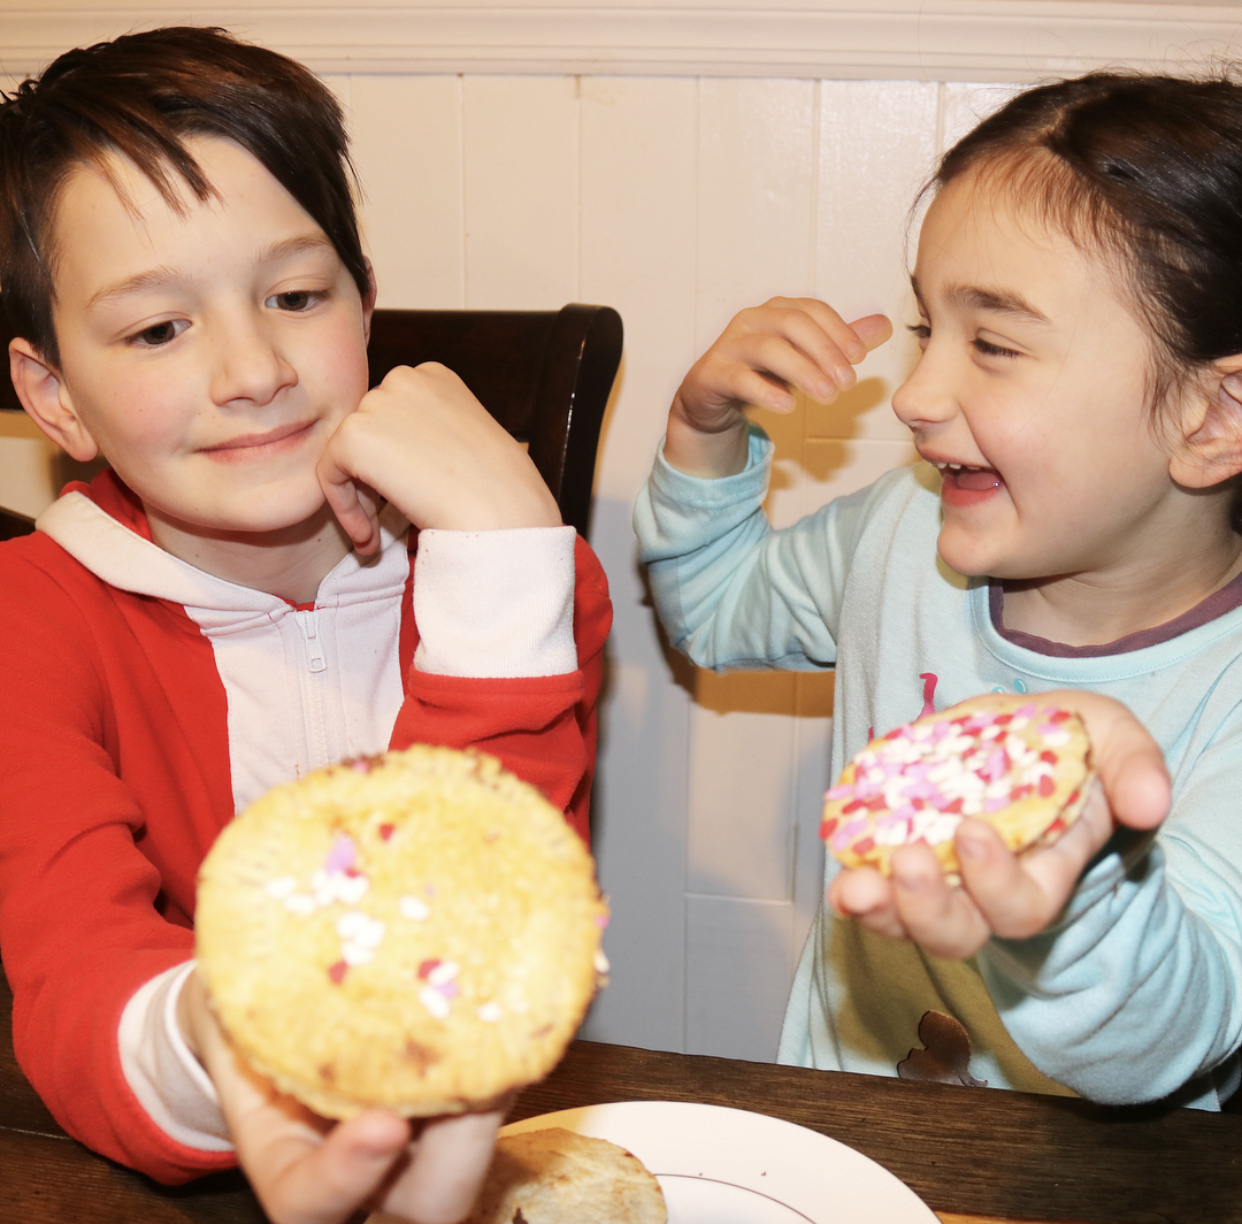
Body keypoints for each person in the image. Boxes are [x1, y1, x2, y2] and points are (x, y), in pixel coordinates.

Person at [0, 26, 611, 1224]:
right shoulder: (29, 622)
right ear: (56, 397)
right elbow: (72, 984)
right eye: (157, 328)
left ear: (366, 305)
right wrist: (247, 1040)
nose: (251, 368)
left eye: (294, 295)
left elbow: (481, 936)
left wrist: (501, 538)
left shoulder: (512, 574)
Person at [635, 70, 1242, 1110]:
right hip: (845, 1144)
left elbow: (1169, 1037)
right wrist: (706, 430)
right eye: (927, 331)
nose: (914, 398)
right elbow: (711, 611)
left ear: (1212, 419)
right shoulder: (905, 528)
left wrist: (1074, 892)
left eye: (994, 345)